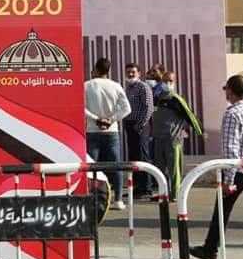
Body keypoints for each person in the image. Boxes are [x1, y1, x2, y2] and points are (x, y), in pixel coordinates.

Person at [189, 74, 243, 259]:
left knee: (222, 209)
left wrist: (228, 179)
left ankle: (210, 249)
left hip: (240, 170)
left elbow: (230, 149)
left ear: (230, 91)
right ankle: (209, 248)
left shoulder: (233, 114)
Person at [85, 58, 131, 210]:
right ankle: (118, 199)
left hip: (92, 130)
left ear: (96, 70)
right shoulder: (116, 86)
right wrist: (111, 119)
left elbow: (81, 107)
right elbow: (126, 109)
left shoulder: (87, 85)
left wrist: (96, 119)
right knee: (116, 165)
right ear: (108, 70)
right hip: (111, 131)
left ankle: (93, 198)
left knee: (92, 166)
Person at [151, 72, 202, 200]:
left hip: (173, 139)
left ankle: (175, 194)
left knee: (174, 169)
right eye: (165, 81)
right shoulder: (157, 98)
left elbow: (190, 116)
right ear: (161, 82)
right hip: (158, 139)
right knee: (159, 169)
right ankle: (163, 193)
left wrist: (200, 131)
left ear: (174, 82)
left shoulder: (176, 99)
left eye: (170, 81)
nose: (168, 84)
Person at [124, 63, 154, 199]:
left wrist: (140, 124)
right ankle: (137, 187)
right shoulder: (128, 88)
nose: (130, 74)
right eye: (128, 72)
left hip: (140, 126)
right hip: (130, 125)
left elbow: (149, 108)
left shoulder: (143, 87)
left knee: (143, 156)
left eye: (133, 72)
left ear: (139, 73)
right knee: (134, 156)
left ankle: (146, 188)